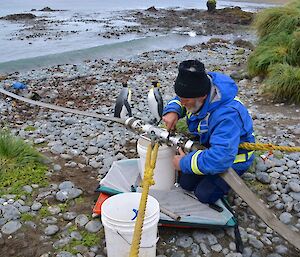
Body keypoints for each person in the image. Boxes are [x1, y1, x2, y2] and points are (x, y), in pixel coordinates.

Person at [162, 60, 255, 204]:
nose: (182, 103)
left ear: (202, 97)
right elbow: (182, 98)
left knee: (204, 194)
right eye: (181, 98)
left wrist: (185, 162)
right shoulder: (199, 87)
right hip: (210, 147)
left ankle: (231, 181)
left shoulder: (227, 116)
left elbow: (221, 158)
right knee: (185, 183)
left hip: (232, 158)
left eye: (185, 101)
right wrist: (173, 111)